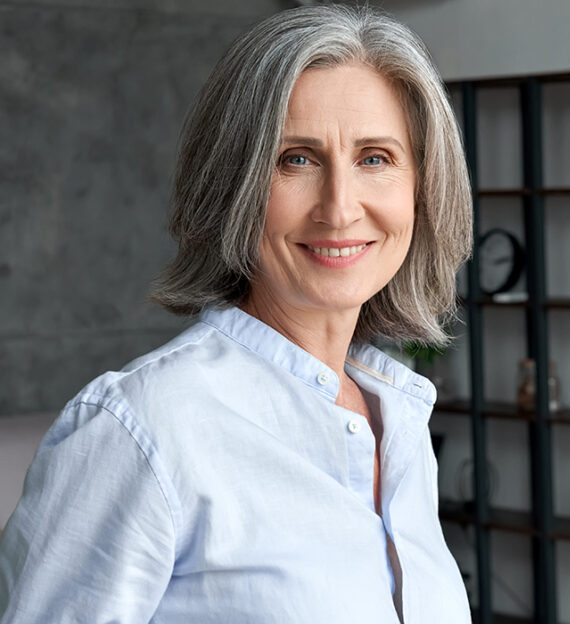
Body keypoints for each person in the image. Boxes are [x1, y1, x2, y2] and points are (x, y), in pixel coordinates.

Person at [0, 5, 472, 623]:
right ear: (234, 186)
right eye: (296, 159)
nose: (339, 208)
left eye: (375, 158)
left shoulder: (399, 421)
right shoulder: (142, 430)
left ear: (423, 188)